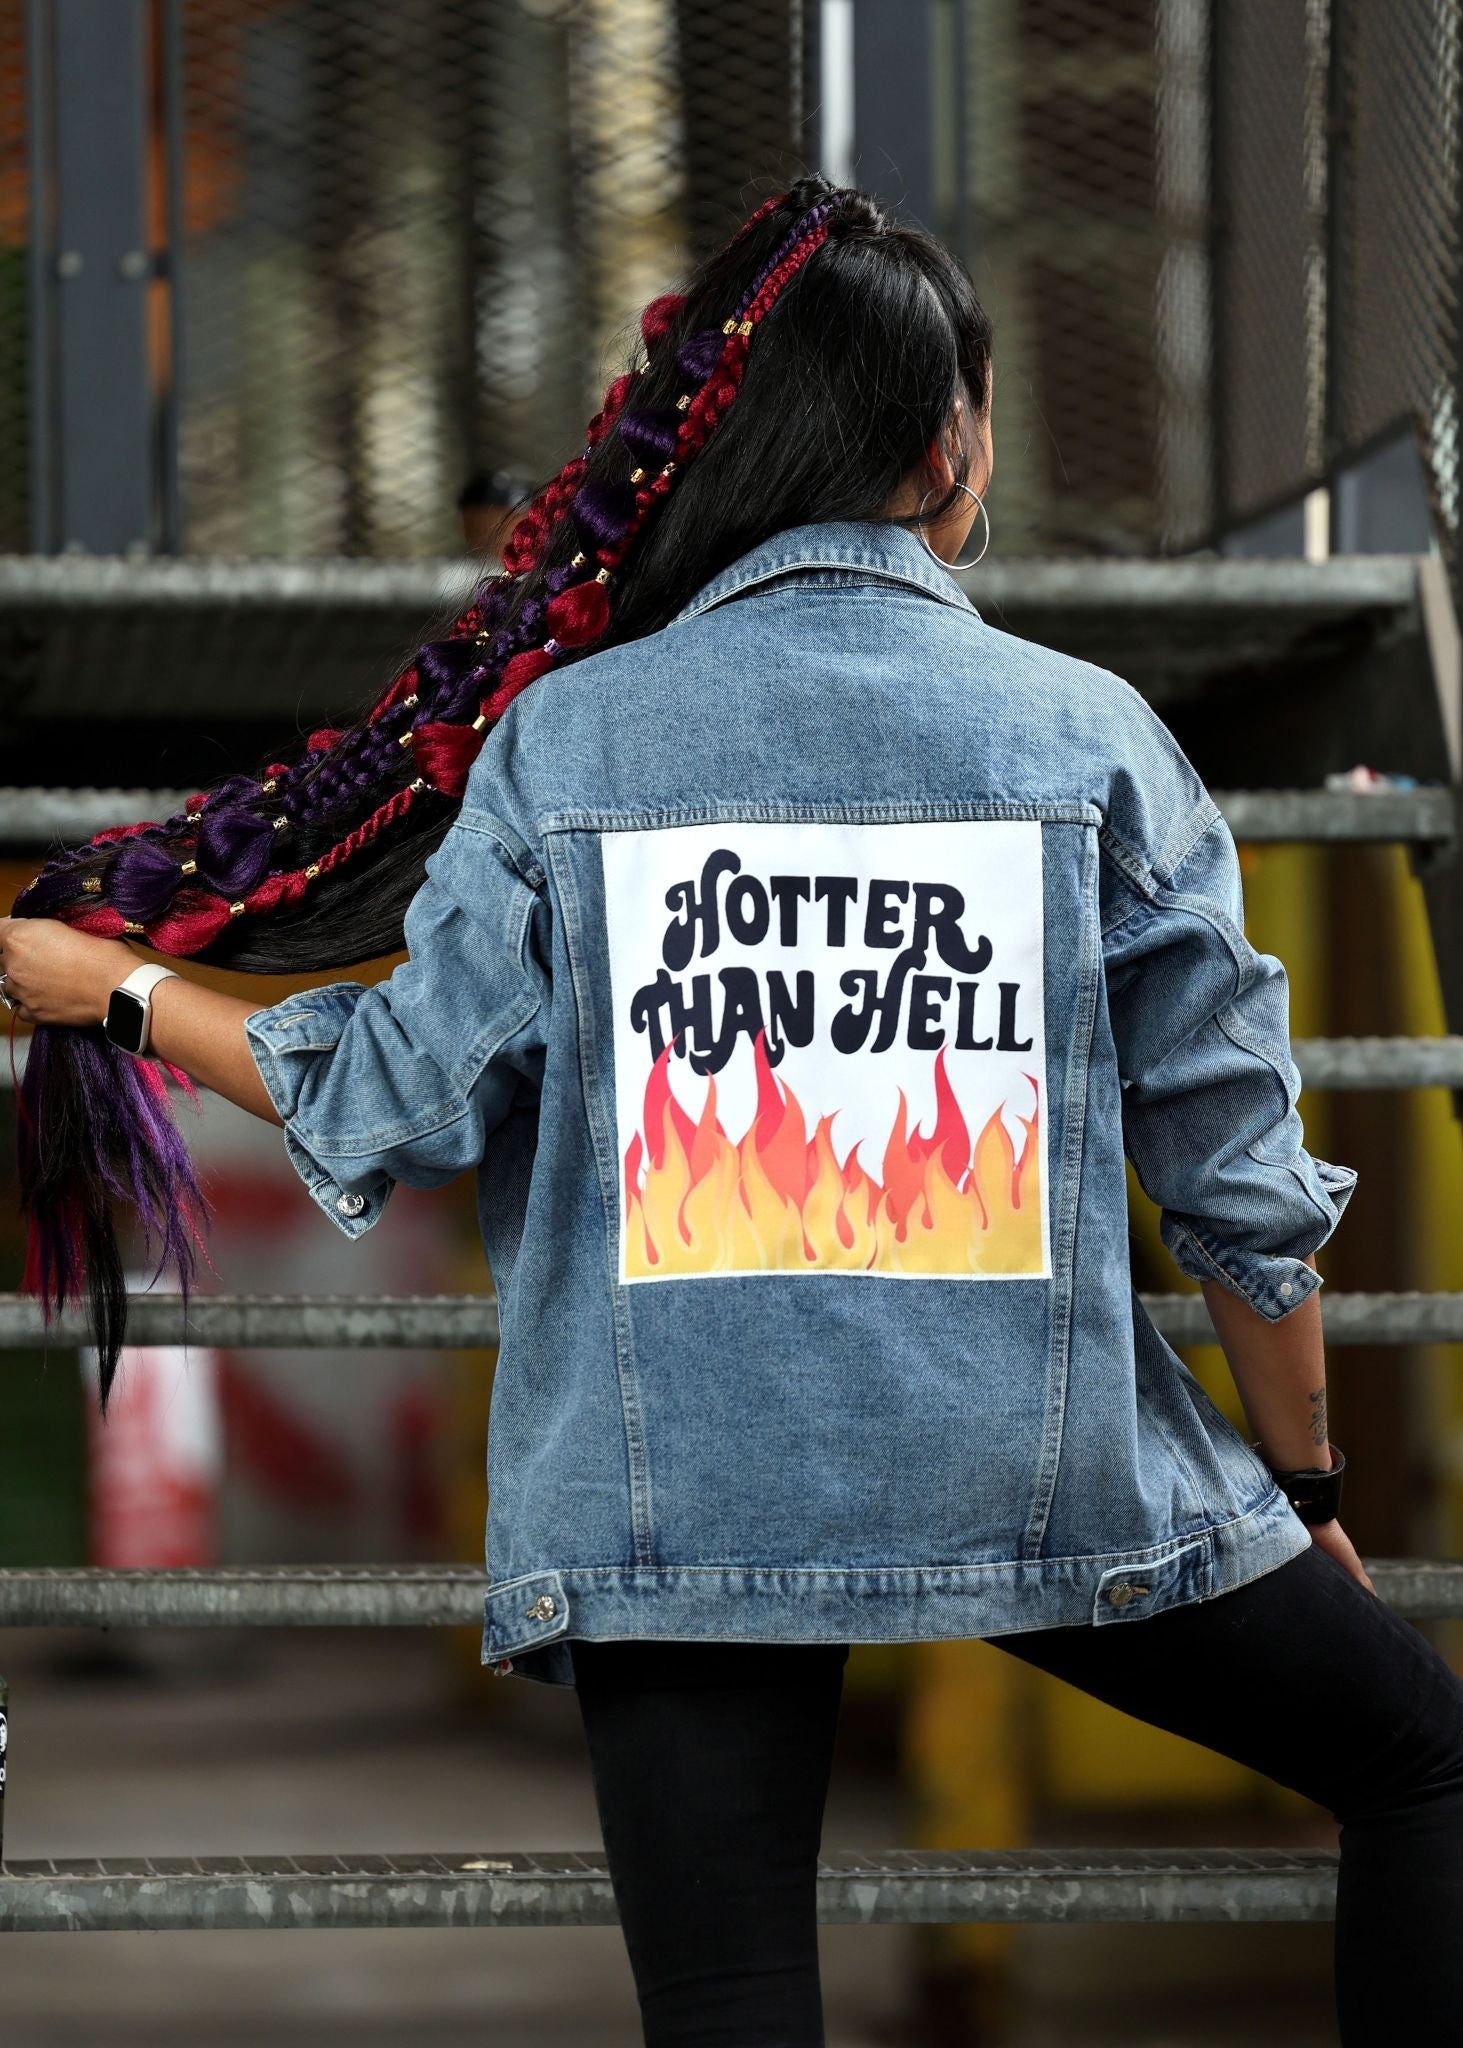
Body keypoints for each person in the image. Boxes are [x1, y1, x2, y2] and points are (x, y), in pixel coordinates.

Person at [2, 174, 1461, 2046]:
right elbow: (1241, 1193)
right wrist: (1307, 1490)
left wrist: (108, 990)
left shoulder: (568, 741)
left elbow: (382, 1098)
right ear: (949, 443)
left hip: (672, 1509)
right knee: (1423, 1766)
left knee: (731, 1997)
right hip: (1044, 1479)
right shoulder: (1092, 737)